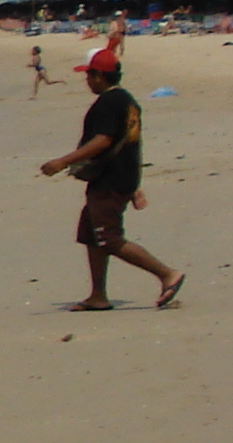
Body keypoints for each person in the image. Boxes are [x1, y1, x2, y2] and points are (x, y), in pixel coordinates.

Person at [38, 34, 183, 310]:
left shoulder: (108, 103)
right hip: (119, 177)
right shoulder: (126, 101)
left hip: (110, 181)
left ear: (99, 76)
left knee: (109, 237)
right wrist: (135, 185)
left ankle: (167, 274)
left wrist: (62, 162)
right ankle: (98, 295)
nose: (87, 80)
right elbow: (128, 144)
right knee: (92, 234)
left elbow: (103, 141)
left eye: (89, 75)